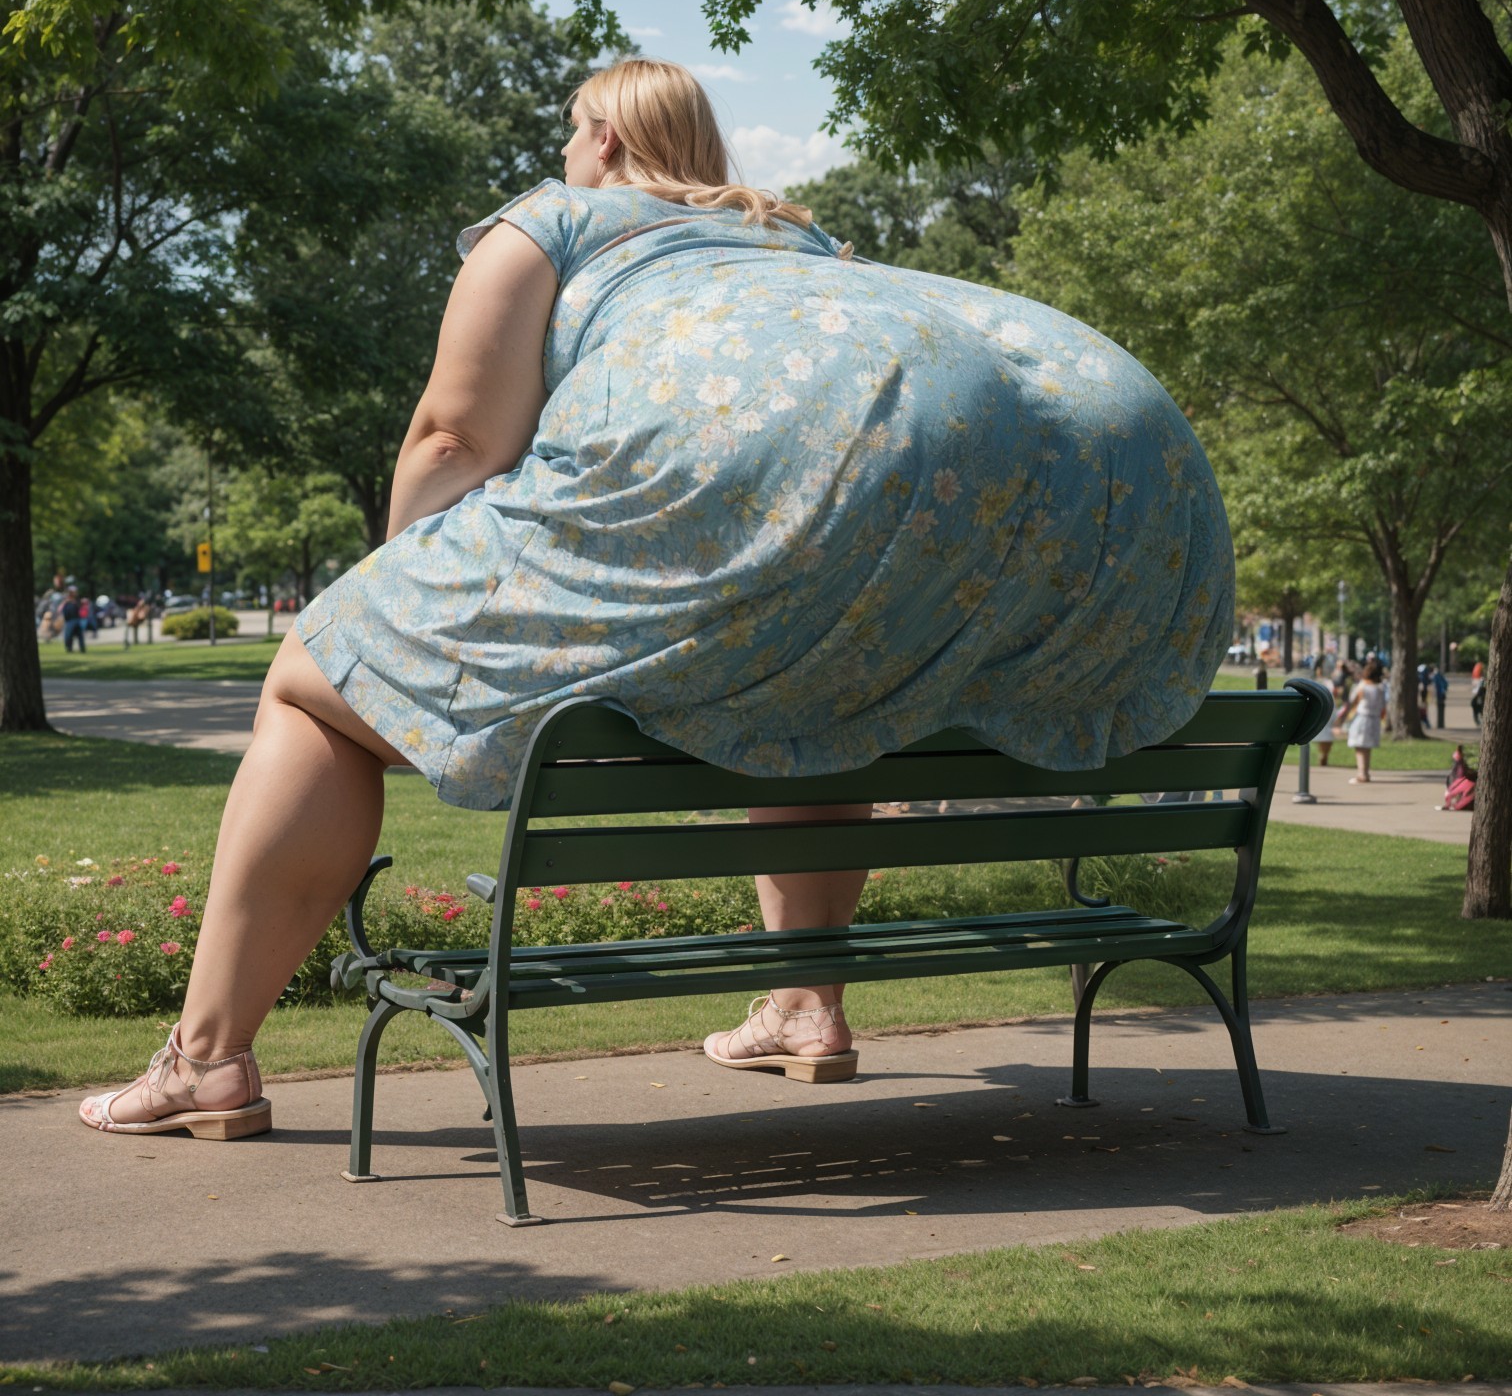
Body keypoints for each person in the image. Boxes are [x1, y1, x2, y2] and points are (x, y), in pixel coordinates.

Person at [78, 57, 1236, 1137]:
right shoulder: (795, 242)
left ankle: (206, 1058)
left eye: (573, 134)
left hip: (775, 469)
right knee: (832, 684)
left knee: (311, 684)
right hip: (1047, 468)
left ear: (605, 139)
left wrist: (388, 606)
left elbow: (452, 434)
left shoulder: (557, 217)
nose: (568, 152)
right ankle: (804, 1002)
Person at [1341, 657, 1386, 783]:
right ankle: (1365, 771)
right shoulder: (1380, 688)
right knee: (1367, 748)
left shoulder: (1362, 686)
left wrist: (1347, 718)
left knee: (1359, 747)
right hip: (1375, 719)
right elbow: (1383, 706)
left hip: (1362, 718)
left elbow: (1354, 702)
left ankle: (1362, 773)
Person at [61, 586, 86, 653]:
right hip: (69, 620)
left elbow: (80, 607)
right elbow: (60, 609)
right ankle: (69, 649)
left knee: (79, 636)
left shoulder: (76, 601)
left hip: (76, 619)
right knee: (69, 636)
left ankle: (82, 649)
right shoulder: (66, 602)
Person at [1470, 658, 1486, 725]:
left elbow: (1477, 690)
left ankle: (1478, 720)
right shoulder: (1482, 680)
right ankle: (1478, 720)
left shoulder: (1481, 680)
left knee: (1477, 708)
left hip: (1479, 699)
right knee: (1478, 709)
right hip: (1479, 698)